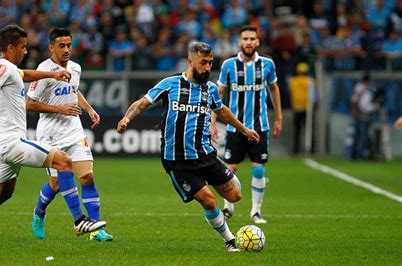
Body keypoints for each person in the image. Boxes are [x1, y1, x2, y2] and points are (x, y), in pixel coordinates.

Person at [0, 25, 106, 251]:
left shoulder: (12, 69)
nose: (25, 51)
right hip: (10, 141)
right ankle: (79, 221)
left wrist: (53, 74)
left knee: (2, 194)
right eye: (22, 47)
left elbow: (26, 75)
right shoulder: (2, 66)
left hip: (3, 143)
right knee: (63, 161)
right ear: (11, 47)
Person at [116, 42, 260, 252]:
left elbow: (221, 111)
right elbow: (142, 103)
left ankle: (225, 176)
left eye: (210, 63)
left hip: (206, 156)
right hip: (178, 162)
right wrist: (126, 119)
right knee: (209, 201)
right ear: (190, 62)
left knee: (235, 196)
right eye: (203, 63)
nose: (208, 67)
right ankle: (230, 240)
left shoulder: (209, 89)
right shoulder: (170, 84)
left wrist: (244, 129)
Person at [26, 28, 113, 241]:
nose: (66, 50)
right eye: (61, 46)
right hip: (50, 136)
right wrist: (60, 109)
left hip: (73, 131)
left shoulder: (75, 68)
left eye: (69, 45)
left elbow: (74, 91)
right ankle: (39, 212)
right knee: (56, 185)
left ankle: (96, 229)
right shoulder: (43, 70)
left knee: (87, 176)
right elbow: (29, 103)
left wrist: (89, 108)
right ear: (51, 47)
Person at [210, 25, 283, 224]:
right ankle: (228, 207)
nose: (249, 42)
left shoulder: (267, 64)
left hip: (260, 126)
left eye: (252, 39)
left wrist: (279, 117)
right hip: (236, 127)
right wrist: (213, 122)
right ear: (239, 42)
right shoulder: (229, 65)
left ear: (258, 42)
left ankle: (256, 212)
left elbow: (274, 89)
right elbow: (218, 95)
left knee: (258, 169)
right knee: (230, 169)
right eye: (245, 39)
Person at [289, 62, 317, 154]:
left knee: (297, 130)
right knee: (309, 129)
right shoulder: (310, 81)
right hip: (307, 108)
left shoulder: (293, 81)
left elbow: (291, 94)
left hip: (297, 107)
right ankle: (311, 149)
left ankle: (296, 149)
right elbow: (313, 95)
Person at [350, 73, 378, 160]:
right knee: (362, 135)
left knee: (358, 135)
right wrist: (356, 111)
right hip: (362, 114)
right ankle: (359, 154)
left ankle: (355, 154)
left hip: (362, 113)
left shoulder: (363, 87)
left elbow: (355, 101)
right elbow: (359, 102)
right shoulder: (362, 88)